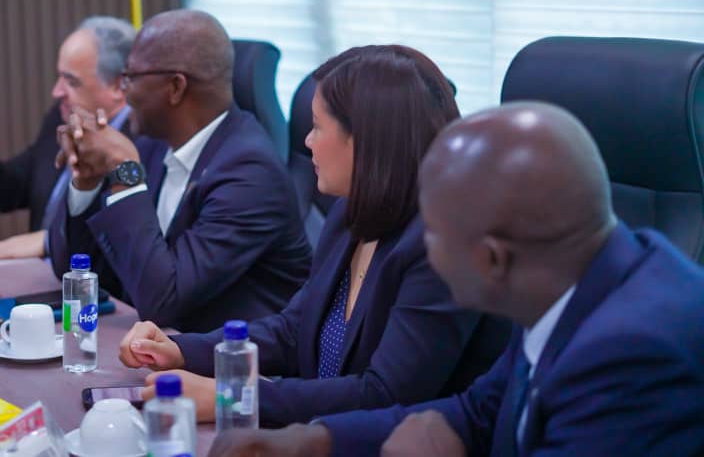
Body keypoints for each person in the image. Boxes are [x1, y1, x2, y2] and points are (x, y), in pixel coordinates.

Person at [208, 102, 704, 457]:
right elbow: (480, 411)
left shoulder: (633, 353)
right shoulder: (570, 279)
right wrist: (312, 440)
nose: (421, 249)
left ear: (492, 260)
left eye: (433, 235)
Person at [117, 46, 509, 425]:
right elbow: (295, 330)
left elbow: (385, 394)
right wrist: (181, 350)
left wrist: (236, 396)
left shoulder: (443, 246)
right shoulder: (351, 213)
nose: (306, 141)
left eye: (318, 126)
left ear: (366, 140)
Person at [48, 9, 312, 332]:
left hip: (231, 358)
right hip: (158, 348)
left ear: (175, 87)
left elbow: (163, 301)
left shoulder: (249, 174)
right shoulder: (153, 145)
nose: (125, 92)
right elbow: (78, 274)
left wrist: (124, 172)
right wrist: (87, 183)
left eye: (131, 77)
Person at [0, 16, 135, 259]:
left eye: (71, 81)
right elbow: (17, 189)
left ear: (118, 86)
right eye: (60, 77)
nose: (56, 91)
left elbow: (127, 234)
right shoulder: (62, 116)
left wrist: (50, 241)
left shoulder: (144, 138)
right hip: (40, 271)